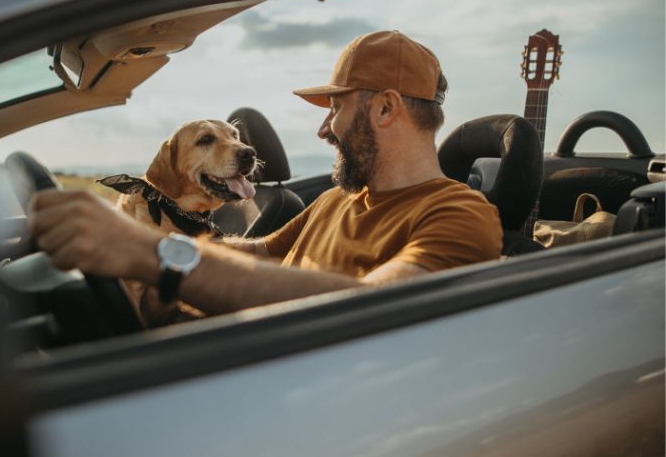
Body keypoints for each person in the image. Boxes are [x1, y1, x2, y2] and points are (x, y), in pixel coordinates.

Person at [30, 30, 502, 316]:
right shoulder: (338, 199)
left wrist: (155, 255)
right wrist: (154, 227)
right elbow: (260, 251)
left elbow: (369, 307)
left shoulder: (459, 214)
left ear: (384, 108)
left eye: (335, 108)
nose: (324, 128)